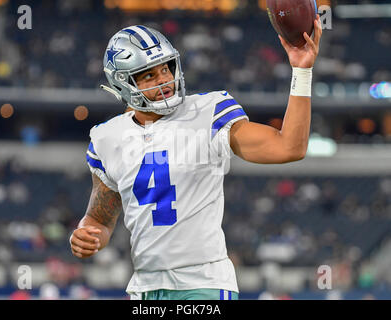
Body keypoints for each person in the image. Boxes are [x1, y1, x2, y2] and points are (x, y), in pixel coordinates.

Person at [70, 19, 323, 300]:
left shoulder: (208, 112)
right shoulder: (108, 138)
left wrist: (302, 70)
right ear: (123, 84)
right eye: (149, 75)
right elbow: (99, 219)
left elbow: (290, 147)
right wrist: (86, 234)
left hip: (204, 283)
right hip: (145, 287)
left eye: (165, 68)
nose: (165, 80)